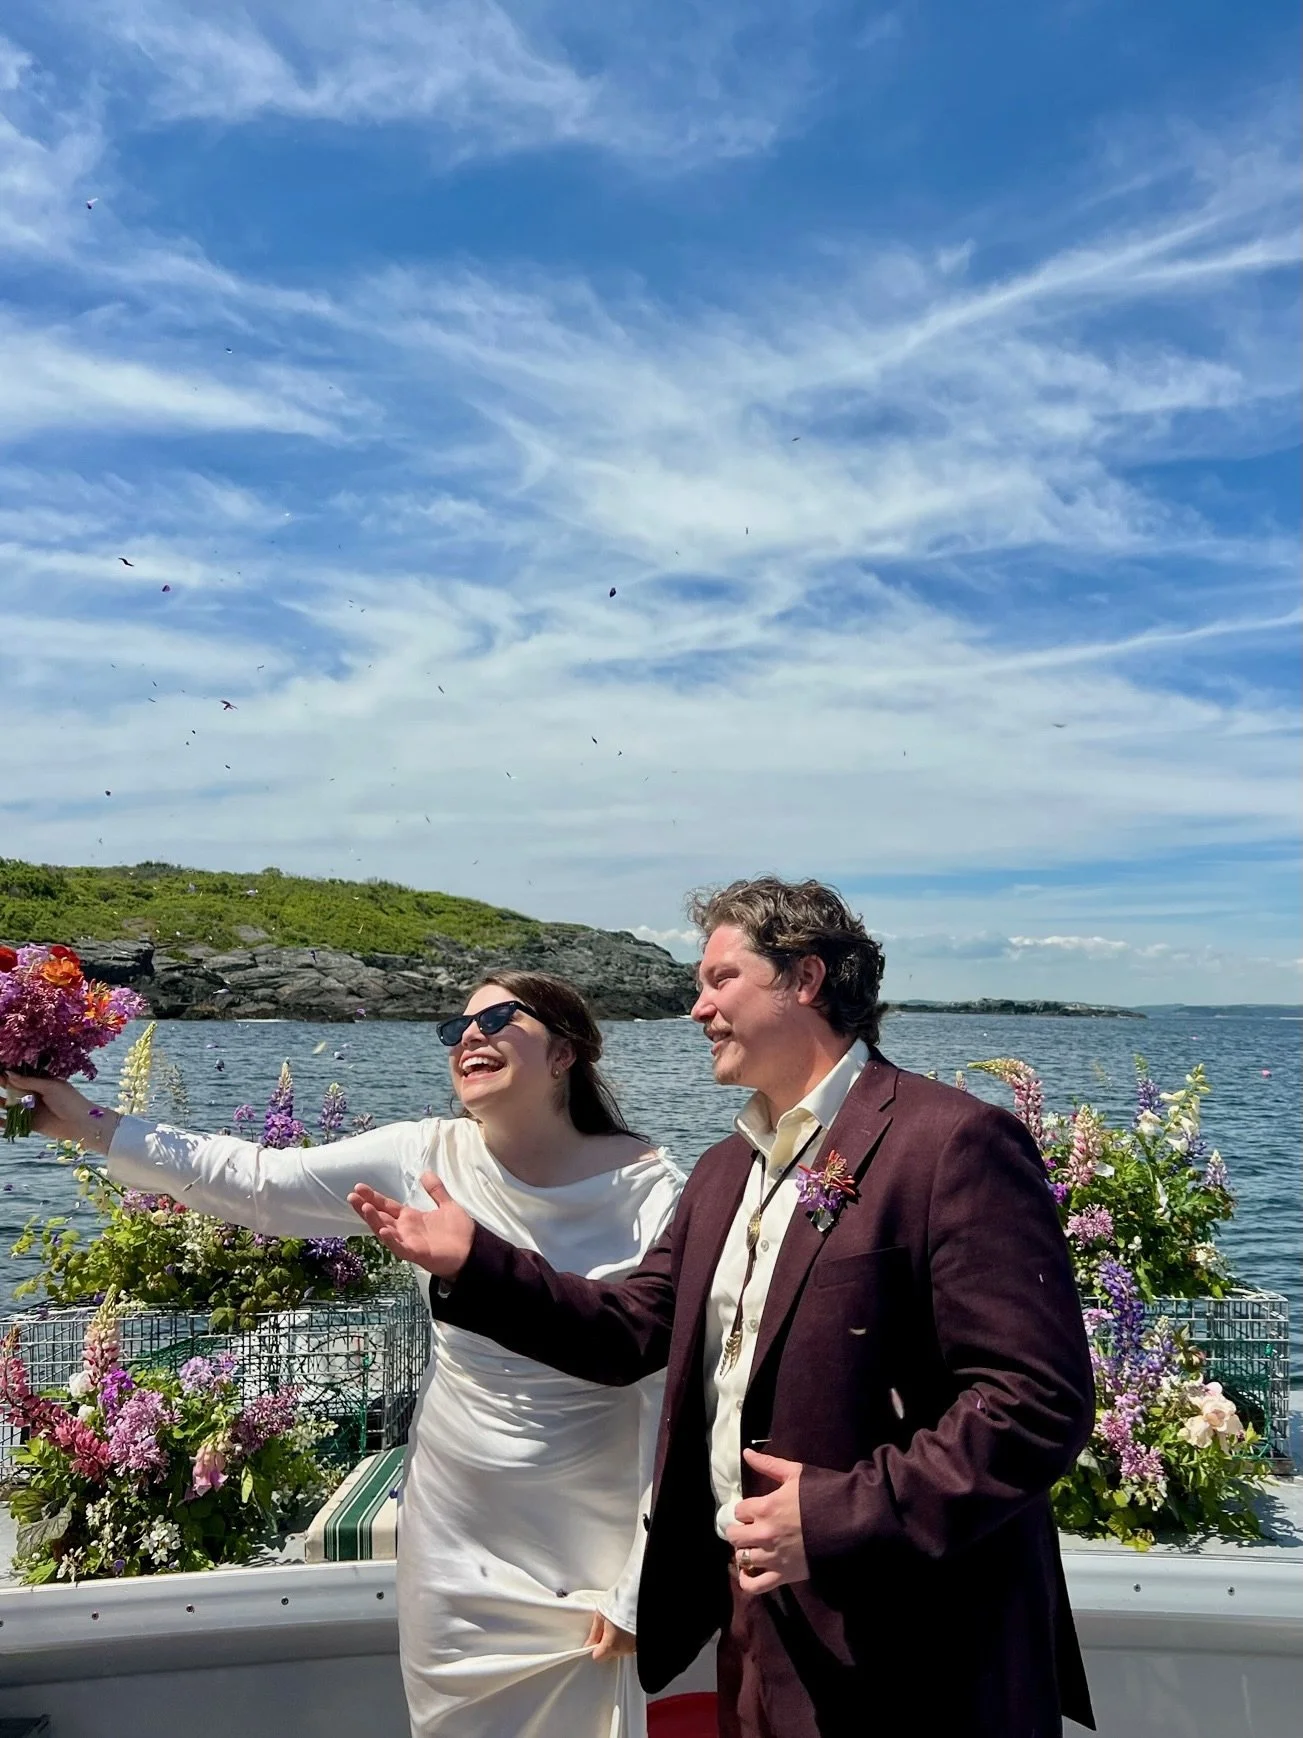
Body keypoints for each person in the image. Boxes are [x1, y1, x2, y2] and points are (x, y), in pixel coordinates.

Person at [351, 878, 1098, 1738]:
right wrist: (475, 1263)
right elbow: (629, 1331)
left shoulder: (950, 1141)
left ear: (805, 979)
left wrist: (833, 1515)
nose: (697, 1009)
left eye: (718, 980)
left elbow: (1033, 1403)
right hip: (757, 1626)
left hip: (910, 1639)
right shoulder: (722, 1173)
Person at [6, 971, 683, 1738]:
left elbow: (671, 1389)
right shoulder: (422, 1155)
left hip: (587, 1536)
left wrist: (642, 1576)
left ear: (564, 1052)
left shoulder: (651, 1189)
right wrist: (94, 1124)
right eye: (453, 1027)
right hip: (459, 1530)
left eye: (496, 1017)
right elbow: (258, 1182)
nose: (468, 1035)